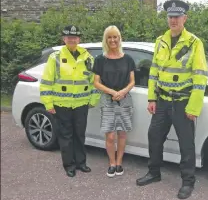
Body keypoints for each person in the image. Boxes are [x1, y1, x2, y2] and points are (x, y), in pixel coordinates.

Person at [136, 0, 208, 199]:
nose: (173, 20)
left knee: (186, 144)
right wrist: (152, 98)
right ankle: (154, 172)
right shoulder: (160, 41)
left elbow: (200, 76)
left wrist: (193, 106)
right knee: (154, 137)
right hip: (162, 101)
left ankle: (188, 182)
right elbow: (154, 72)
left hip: (183, 102)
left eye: (177, 17)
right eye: (170, 16)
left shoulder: (194, 43)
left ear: (185, 18)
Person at [40, 25, 101, 177]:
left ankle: (81, 163)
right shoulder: (55, 58)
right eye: (69, 37)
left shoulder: (88, 58)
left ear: (79, 39)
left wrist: (94, 98)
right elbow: (47, 81)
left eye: (75, 37)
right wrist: (48, 103)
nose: (72, 40)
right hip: (62, 104)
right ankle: (69, 165)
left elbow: (95, 80)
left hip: (81, 104)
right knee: (66, 135)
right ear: (64, 39)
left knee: (80, 134)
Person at [92, 25, 136, 177]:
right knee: (110, 135)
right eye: (109, 37)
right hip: (107, 99)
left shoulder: (128, 59)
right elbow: (96, 82)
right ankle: (111, 163)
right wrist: (113, 92)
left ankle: (119, 163)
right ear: (106, 39)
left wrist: (123, 92)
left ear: (119, 38)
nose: (112, 40)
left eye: (115, 37)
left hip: (125, 100)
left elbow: (132, 81)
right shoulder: (100, 60)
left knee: (122, 134)